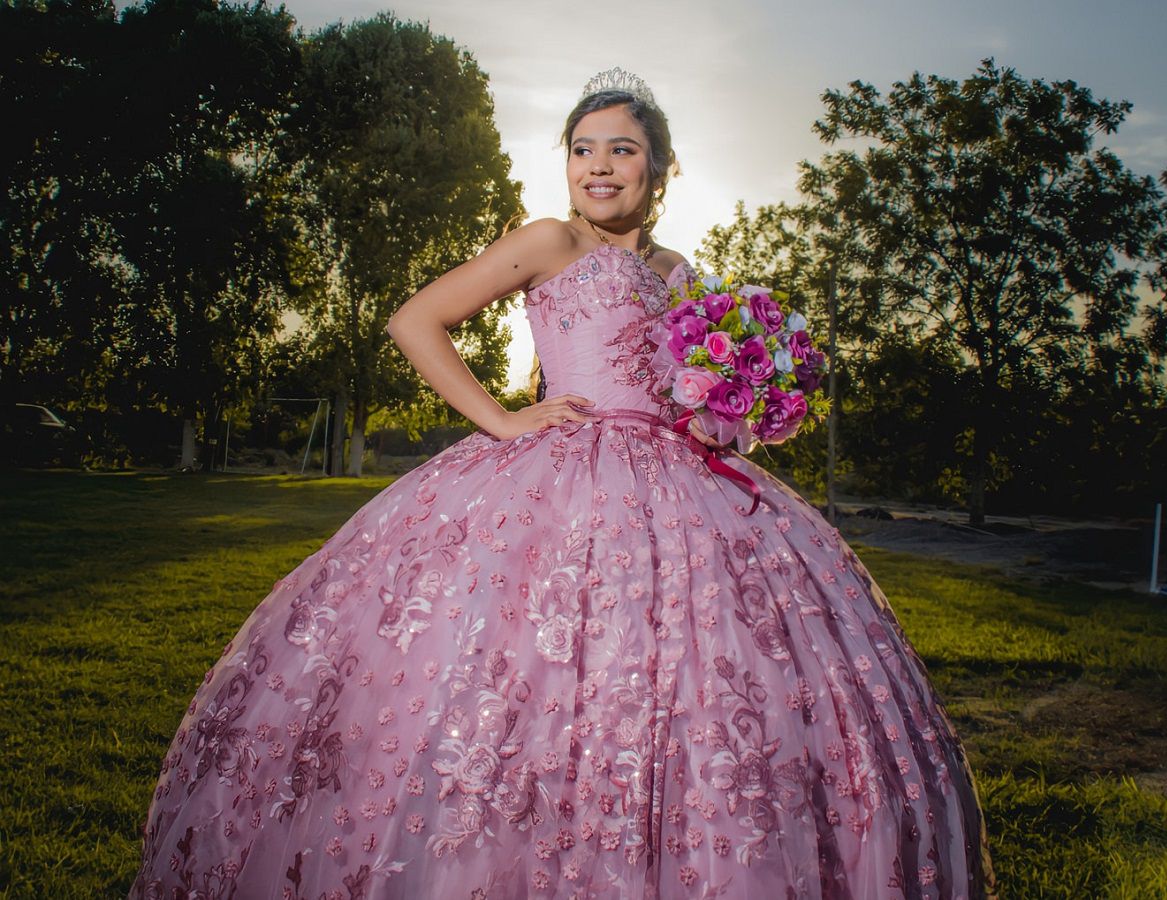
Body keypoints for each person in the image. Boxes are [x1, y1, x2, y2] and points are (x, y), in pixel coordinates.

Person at [130, 68, 995, 899]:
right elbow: (415, 320)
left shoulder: (680, 273)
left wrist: (742, 403)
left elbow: (688, 397)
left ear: (659, 165)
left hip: (678, 483)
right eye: (583, 148)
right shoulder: (552, 240)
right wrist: (504, 420)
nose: (599, 166)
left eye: (621, 148)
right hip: (559, 473)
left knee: (702, 680)